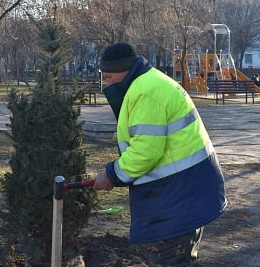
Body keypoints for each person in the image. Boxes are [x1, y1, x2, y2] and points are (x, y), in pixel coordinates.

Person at [92, 42, 227, 266]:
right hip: (184, 191)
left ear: (123, 71)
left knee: (169, 260)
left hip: (179, 195)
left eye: (108, 77)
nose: (106, 83)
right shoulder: (150, 81)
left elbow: (146, 152)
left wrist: (112, 174)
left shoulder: (145, 91)